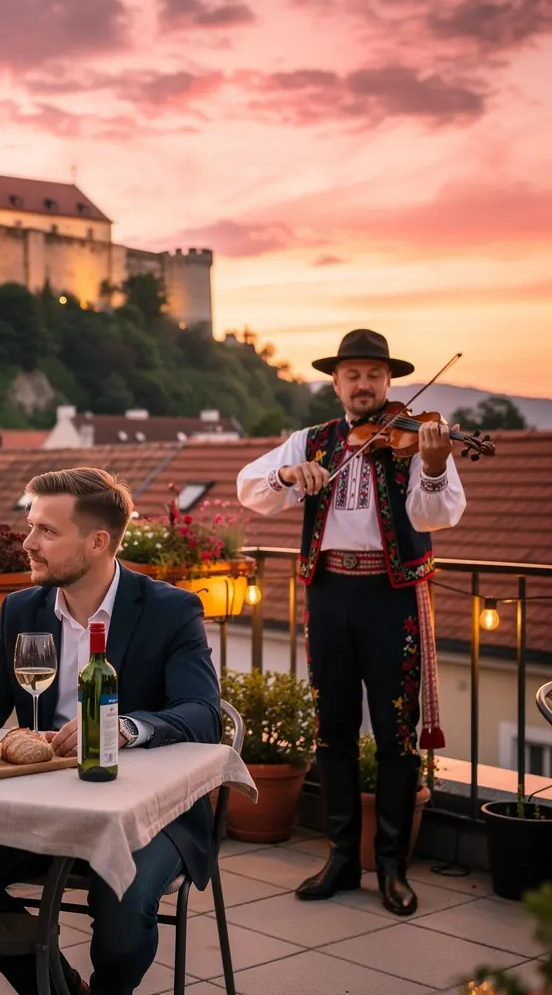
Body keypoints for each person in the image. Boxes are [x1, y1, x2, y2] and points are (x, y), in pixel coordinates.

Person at [0, 467, 221, 995]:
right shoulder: (20, 609)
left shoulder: (171, 609)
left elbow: (203, 713)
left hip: (150, 813)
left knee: (122, 905)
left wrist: (124, 729)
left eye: (47, 531)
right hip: (45, 802)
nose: (28, 543)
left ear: (98, 542)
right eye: (31, 526)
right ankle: (57, 989)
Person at [236, 328, 466, 916]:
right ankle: (341, 858)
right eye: (352, 375)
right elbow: (250, 488)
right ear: (336, 383)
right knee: (332, 730)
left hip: (392, 596)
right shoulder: (311, 441)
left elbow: (437, 515)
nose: (364, 384)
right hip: (328, 593)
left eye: (374, 375)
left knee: (396, 735)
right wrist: (290, 476)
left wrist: (434, 465)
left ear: (389, 381)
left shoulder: (418, 438)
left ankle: (390, 865)